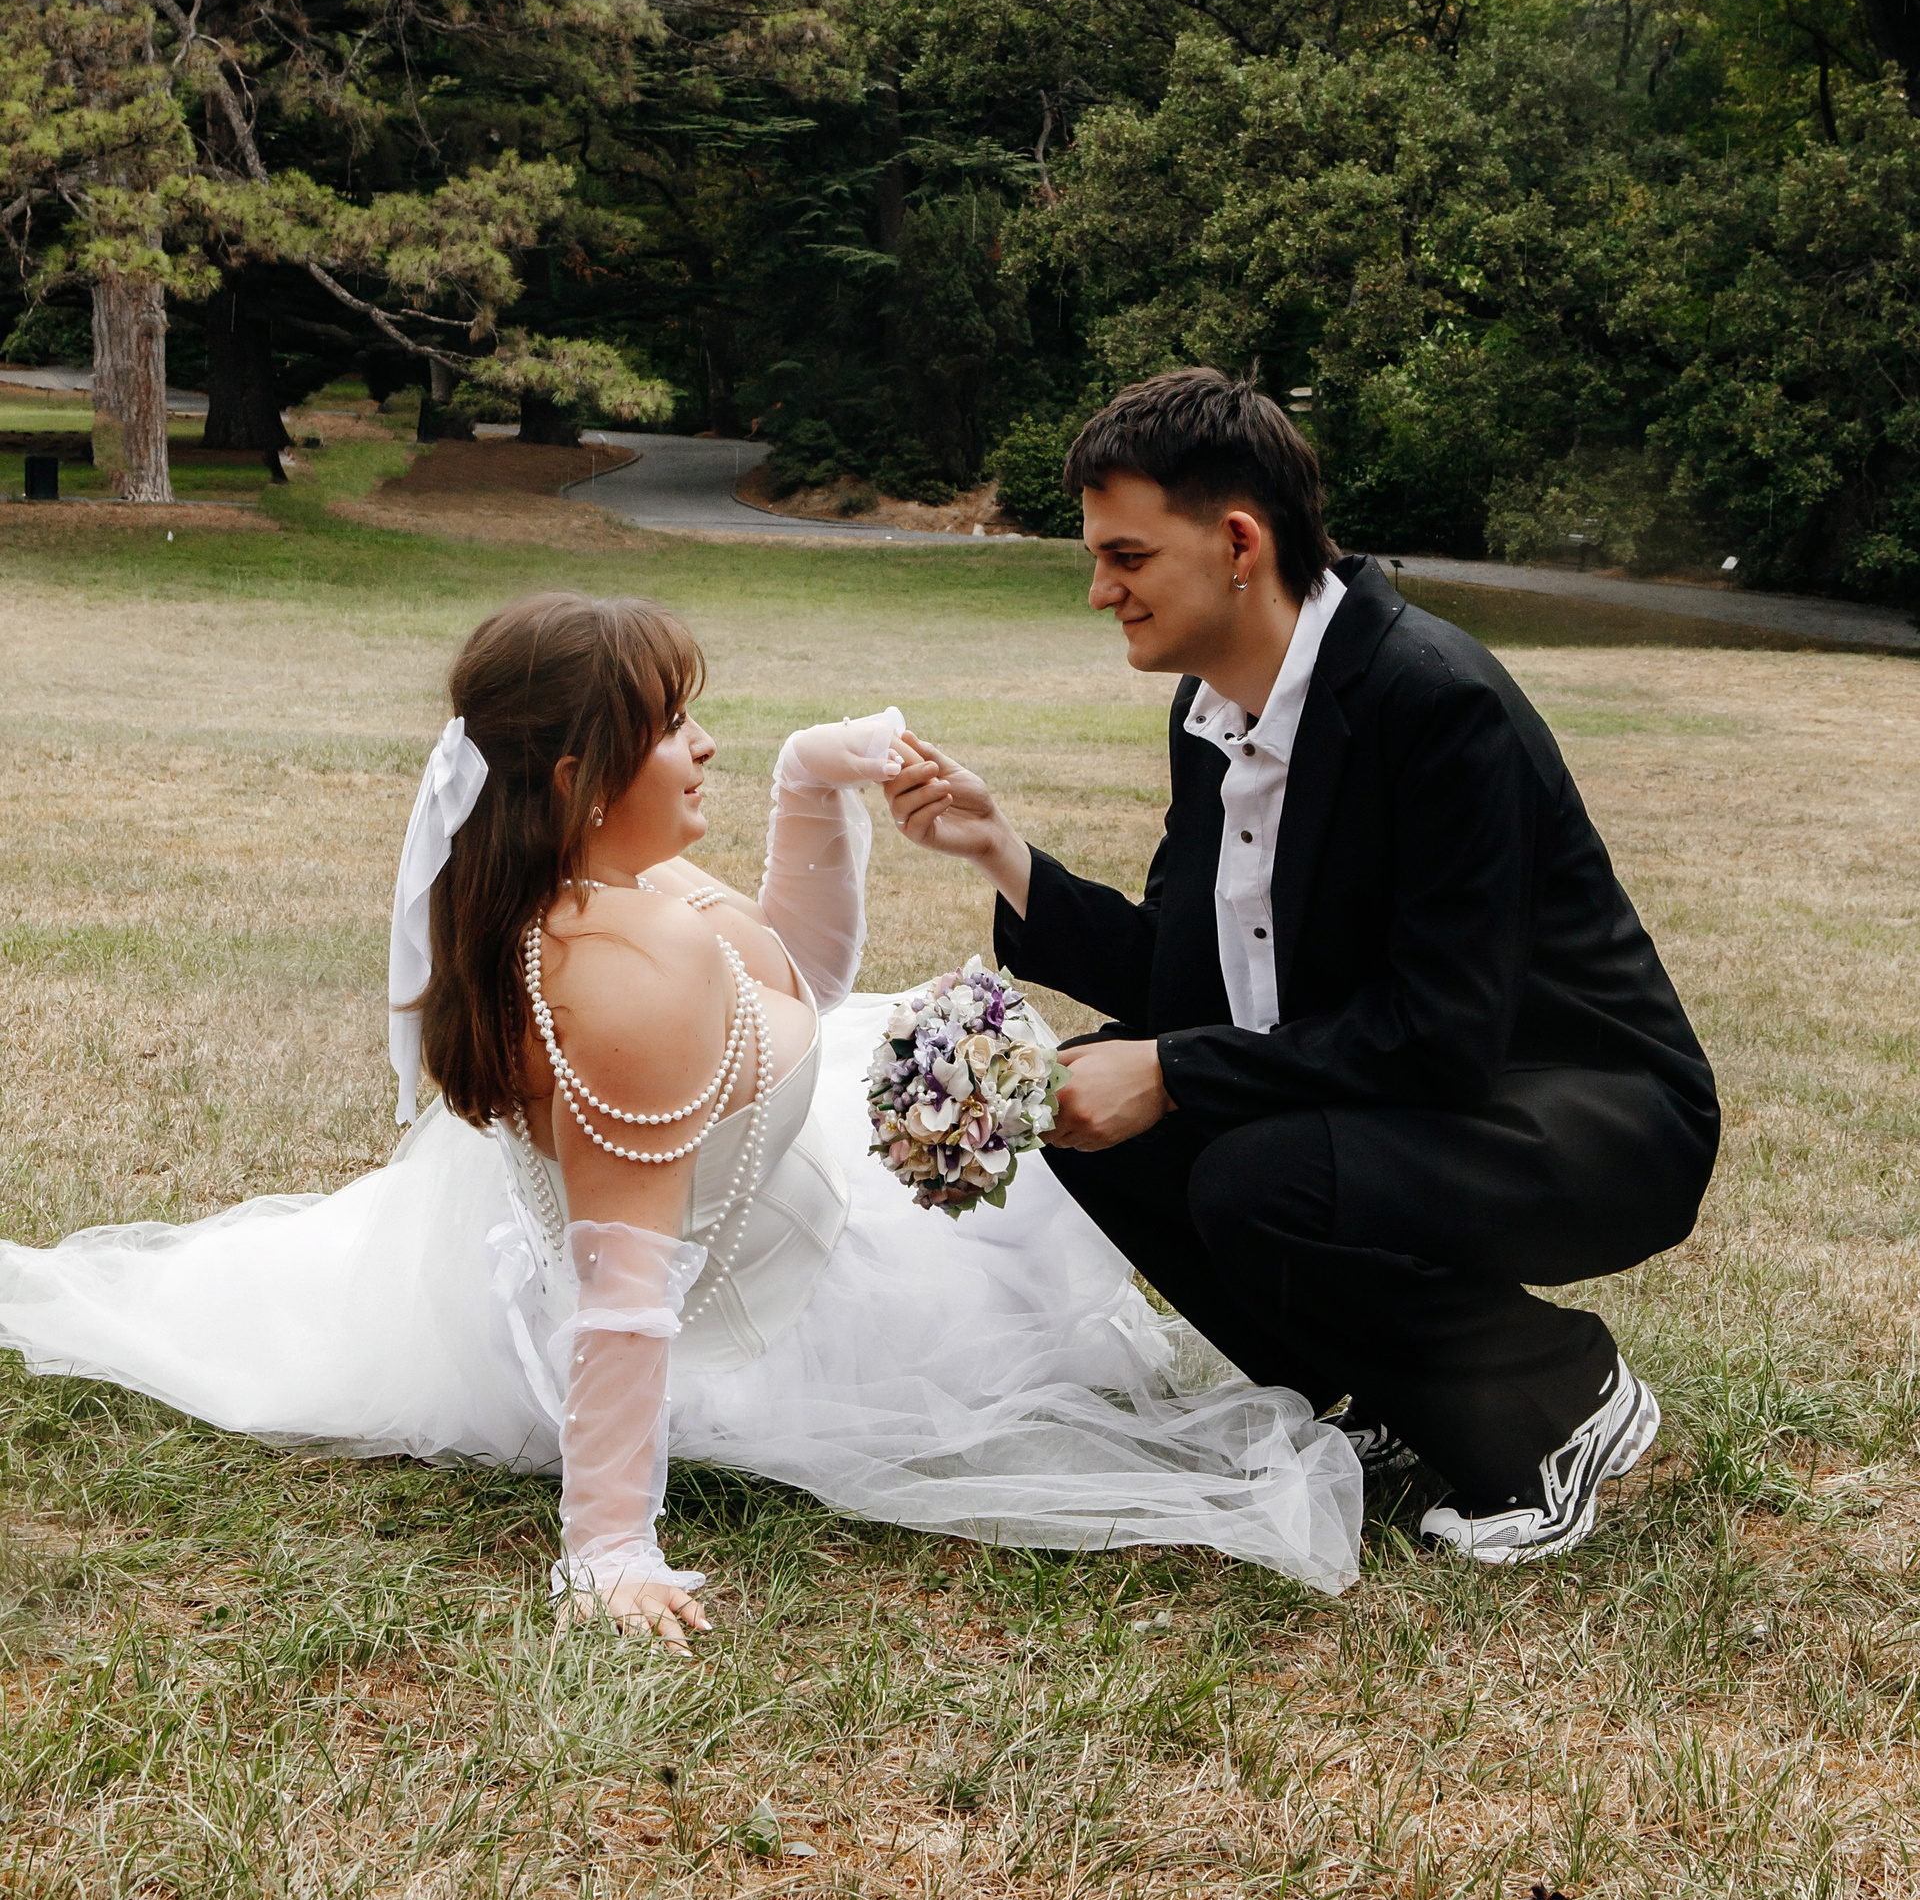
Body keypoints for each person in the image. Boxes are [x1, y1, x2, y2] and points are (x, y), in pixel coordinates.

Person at [0, 589, 1362, 1644]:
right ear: (580, 779)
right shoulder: (622, 975)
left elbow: (793, 978)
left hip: (775, 1217)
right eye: (670, 726)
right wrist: (609, 1548)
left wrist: (807, 783)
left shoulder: (615, 887)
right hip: (742, 1331)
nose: (703, 741)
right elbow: (627, 1292)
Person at [886, 369, 1719, 1564]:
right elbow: (1190, 985)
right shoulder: (1210, 711)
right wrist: (1001, 852)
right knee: (1079, 1103)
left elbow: (1441, 1036)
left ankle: (1558, 1400)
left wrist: (1174, 1071)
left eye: (1126, 556)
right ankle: (1378, 1393)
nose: (1098, 590)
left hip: (1586, 1119)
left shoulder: (1433, 700)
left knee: (1251, 1171)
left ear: (1239, 544)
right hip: (1420, 1094)